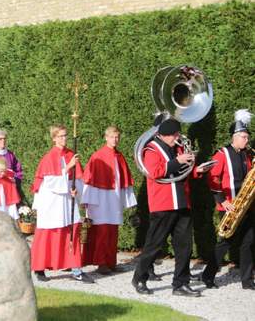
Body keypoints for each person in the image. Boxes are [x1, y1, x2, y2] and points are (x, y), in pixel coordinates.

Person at [131, 118, 212, 297]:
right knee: (154, 244)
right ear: (166, 135)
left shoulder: (178, 148)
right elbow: (155, 172)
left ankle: (180, 284)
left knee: (184, 246)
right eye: (175, 135)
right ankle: (140, 278)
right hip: (163, 204)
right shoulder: (151, 149)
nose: (178, 138)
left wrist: (196, 170)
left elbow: (184, 171)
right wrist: (177, 160)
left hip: (183, 202)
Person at [30, 125, 93, 283]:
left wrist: (75, 190)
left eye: (65, 136)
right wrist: (68, 168)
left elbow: (77, 179)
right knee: (47, 235)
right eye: (60, 136)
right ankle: (39, 268)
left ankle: (76, 269)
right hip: (51, 202)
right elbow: (50, 182)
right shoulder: (48, 158)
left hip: (66, 200)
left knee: (71, 232)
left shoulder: (71, 154)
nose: (64, 139)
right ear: (54, 138)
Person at [202, 110, 254, 290]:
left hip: (246, 205)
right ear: (234, 137)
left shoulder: (247, 155)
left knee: (249, 242)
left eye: (247, 137)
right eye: (244, 136)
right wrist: (222, 200)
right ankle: (208, 276)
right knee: (224, 243)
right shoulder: (222, 154)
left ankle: (247, 281)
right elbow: (212, 178)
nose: (247, 140)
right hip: (230, 205)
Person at [81, 126, 137, 274]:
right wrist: (88, 201)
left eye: (117, 137)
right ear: (106, 137)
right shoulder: (98, 156)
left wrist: (129, 200)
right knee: (102, 231)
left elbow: (124, 179)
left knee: (113, 230)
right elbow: (89, 179)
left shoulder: (119, 156)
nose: (115, 140)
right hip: (100, 200)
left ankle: (111, 262)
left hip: (115, 197)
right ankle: (101, 262)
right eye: (112, 137)